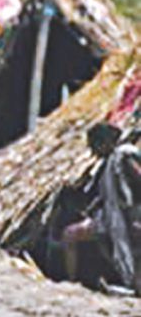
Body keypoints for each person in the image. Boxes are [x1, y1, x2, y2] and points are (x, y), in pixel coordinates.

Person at [53, 123, 141, 294]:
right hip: (114, 218)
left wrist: (134, 217)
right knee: (75, 235)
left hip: (127, 218)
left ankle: (73, 283)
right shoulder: (111, 162)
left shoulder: (124, 157)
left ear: (105, 143)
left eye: (95, 146)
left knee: (70, 235)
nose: (94, 152)